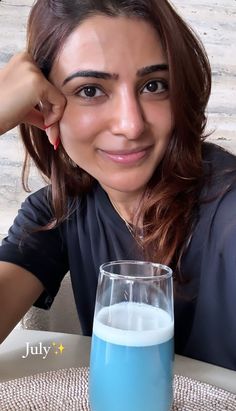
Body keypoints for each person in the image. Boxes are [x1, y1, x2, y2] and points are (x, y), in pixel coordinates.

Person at [0, 0, 235, 371]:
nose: (131, 125)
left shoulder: (227, 210)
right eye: (90, 90)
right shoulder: (59, 210)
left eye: (154, 85)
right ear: (44, 106)